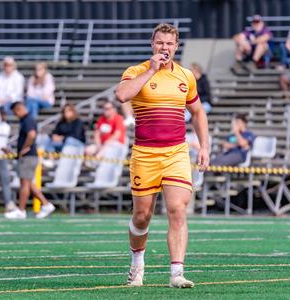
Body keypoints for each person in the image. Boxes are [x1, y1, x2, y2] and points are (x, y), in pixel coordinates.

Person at [115, 23, 209, 288]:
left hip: (176, 152)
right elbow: (122, 95)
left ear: (176, 46)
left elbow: (198, 112)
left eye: (169, 44)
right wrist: (151, 70)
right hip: (144, 154)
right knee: (142, 216)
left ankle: (176, 273)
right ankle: (137, 262)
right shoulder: (136, 71)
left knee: (178, 208)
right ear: (152, 44)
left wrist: (204, 146)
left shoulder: (186, 76)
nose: (164, 48)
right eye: (160, 43)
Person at [5, 101, 55, 219]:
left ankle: (21, 210)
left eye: (15, 113)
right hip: (30, 157)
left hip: (28, 157)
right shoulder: (27, 119)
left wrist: (25, 148)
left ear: (19, 109)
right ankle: (46, 204)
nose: (16, 115)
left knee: (24, 184)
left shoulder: (27, 119)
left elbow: (32, 135)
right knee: (29, 183)